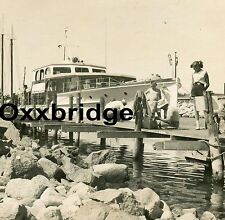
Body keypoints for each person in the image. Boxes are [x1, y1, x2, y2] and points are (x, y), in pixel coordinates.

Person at [190, 60, 210, 130]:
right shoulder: (193, 73)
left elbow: (208, 83)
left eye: (195, 66)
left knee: (204, 108)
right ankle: (197, 124)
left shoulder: (204, 72)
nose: (194, 68)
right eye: (193, 67)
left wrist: (204, 90)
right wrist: (190, 92)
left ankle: (206, 124)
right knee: (196, 108)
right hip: (194, 89)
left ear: (199, 66)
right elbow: (192, 83)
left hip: (201, 88)